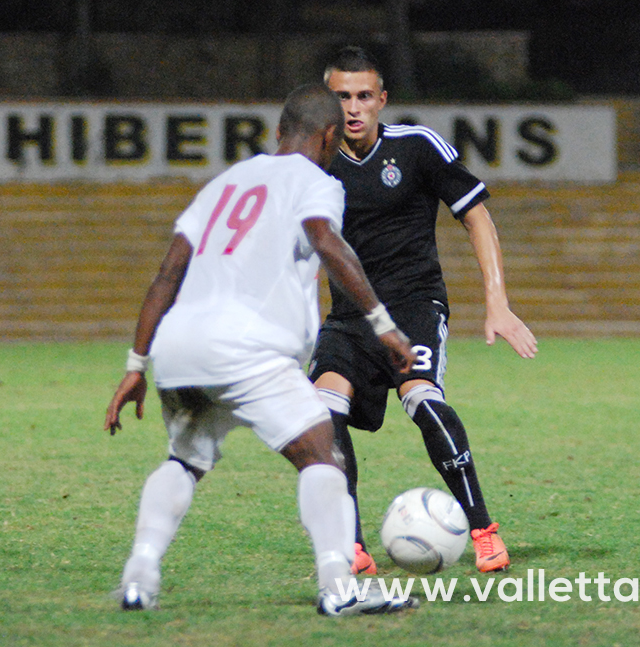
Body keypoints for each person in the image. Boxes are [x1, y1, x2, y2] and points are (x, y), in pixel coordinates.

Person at [103, 84, 420, 616]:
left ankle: (139, 575)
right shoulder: (316, 181)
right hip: (247, 348)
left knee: (184, 460)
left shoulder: (225, 182)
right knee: (323, 455)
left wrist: (137, 364)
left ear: (277, 133)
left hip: (179, 348)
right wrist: (383, 323)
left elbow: (167, 275)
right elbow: (326, 241)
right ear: (329, 136)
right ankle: (339, 587)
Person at [308, 47, 539, 575]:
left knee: (423, 401)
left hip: (414, 307)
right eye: (342, 96)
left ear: (382, 100)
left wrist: (497, 302)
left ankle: (482, 528)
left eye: (364, 96)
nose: (353, 107)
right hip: (349, 318)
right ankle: (352, 544)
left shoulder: (417, 147)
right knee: (323, 414)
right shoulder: (314, 164)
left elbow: (477, 217)